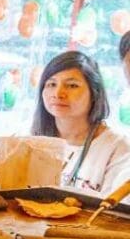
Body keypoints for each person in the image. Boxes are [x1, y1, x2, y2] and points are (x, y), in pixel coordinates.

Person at [31, 50, 130, 196]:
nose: (58, 93)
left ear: (94, 93)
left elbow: (114, 214)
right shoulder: (28, 140)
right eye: (51, 84)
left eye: (72, 86)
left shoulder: (118, 148)